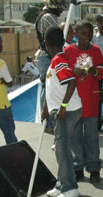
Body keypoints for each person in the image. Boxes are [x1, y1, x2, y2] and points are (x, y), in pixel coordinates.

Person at [42, 27, 82, 197]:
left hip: (66, 112)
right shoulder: (56, 60)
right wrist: (45, 109)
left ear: (46, 43)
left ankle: (69, 187)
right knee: (60, 148)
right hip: (59, 111)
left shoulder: (59, 61)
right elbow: (51, 88)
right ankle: (61, 183)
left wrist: (63, 107)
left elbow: (71, 83)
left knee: (62, 149)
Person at [64, 20, 103, 184]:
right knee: (75, 137)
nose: (87, 37)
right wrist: (72, 72)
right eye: (83, 33)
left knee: (91, 137)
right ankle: (77, 167)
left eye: (89, 34)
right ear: (75, 34)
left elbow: (102, 72)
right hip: (74, 101)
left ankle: (94, 168)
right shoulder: (68, 51)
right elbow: (62, 73)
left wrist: (93, 70)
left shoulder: (95, 51)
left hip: (91, 100)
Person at [34, 0, 65, 133]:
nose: (61, 11)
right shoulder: (48, 18)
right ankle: (48, 123)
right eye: (60, 8)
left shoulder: (43, 15)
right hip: (46, 56)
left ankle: (47, 122)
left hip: (44, 56)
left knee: (47, 87)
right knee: (48, 88)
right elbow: (55, 39)